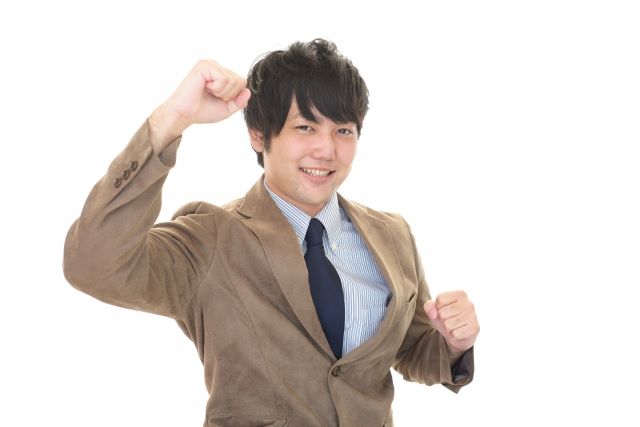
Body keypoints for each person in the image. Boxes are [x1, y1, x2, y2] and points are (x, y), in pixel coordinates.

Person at [63, 39, 479, 426]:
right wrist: (171, 120)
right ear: (259, 135)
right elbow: (93, 264)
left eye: (343, 130)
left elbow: (411, 349)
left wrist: (453, 342)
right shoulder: (213, 238)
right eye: (305, 128)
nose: (326, 150)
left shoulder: (392, 235)